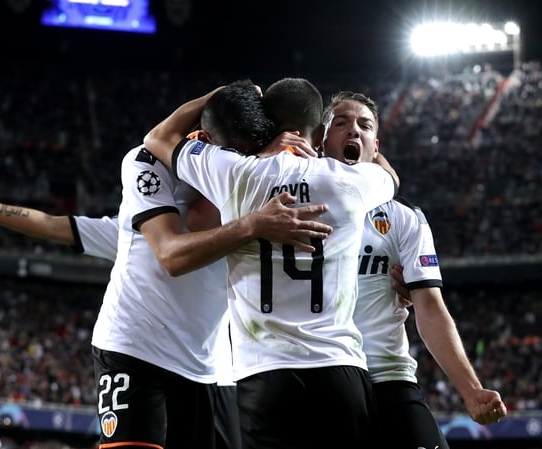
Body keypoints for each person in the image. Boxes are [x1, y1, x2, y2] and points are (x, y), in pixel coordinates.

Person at [0, 84, 332, 449]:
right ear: (203, 141)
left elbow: (59, 225)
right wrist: (222, 94)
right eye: (233, 156)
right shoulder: (148, 165)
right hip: (136, 351)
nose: (235, 168)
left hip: (212, 368)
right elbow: (173, 253)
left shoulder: (250, 178)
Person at [143, 78, 397, 449]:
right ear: (323, 131)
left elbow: (158, 138)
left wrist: (221, 93)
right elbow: (389, 175)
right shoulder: (354, 182)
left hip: (265, 375)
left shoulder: (236, 172)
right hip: (340, 369)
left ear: (265, 124)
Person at [320, 90, 508, 448]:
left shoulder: (402, 218)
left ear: (376, 146)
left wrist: (470, 389)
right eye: (340, 123)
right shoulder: (294, 205)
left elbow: (430, 306)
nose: (353, 131)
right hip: (321, 373)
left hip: (389, 375)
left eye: (365, 125)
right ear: (321, 138)